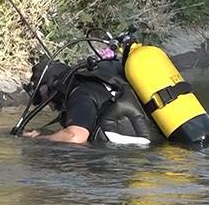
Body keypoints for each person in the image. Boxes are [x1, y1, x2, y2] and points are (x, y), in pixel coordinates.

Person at [22, 58, 163, 145]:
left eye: (44, 99)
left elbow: (75, 137)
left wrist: (40, 140)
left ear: (52, 85)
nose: (51, 107)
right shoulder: (94, 83)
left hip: (134, 159)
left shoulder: (80, 94)